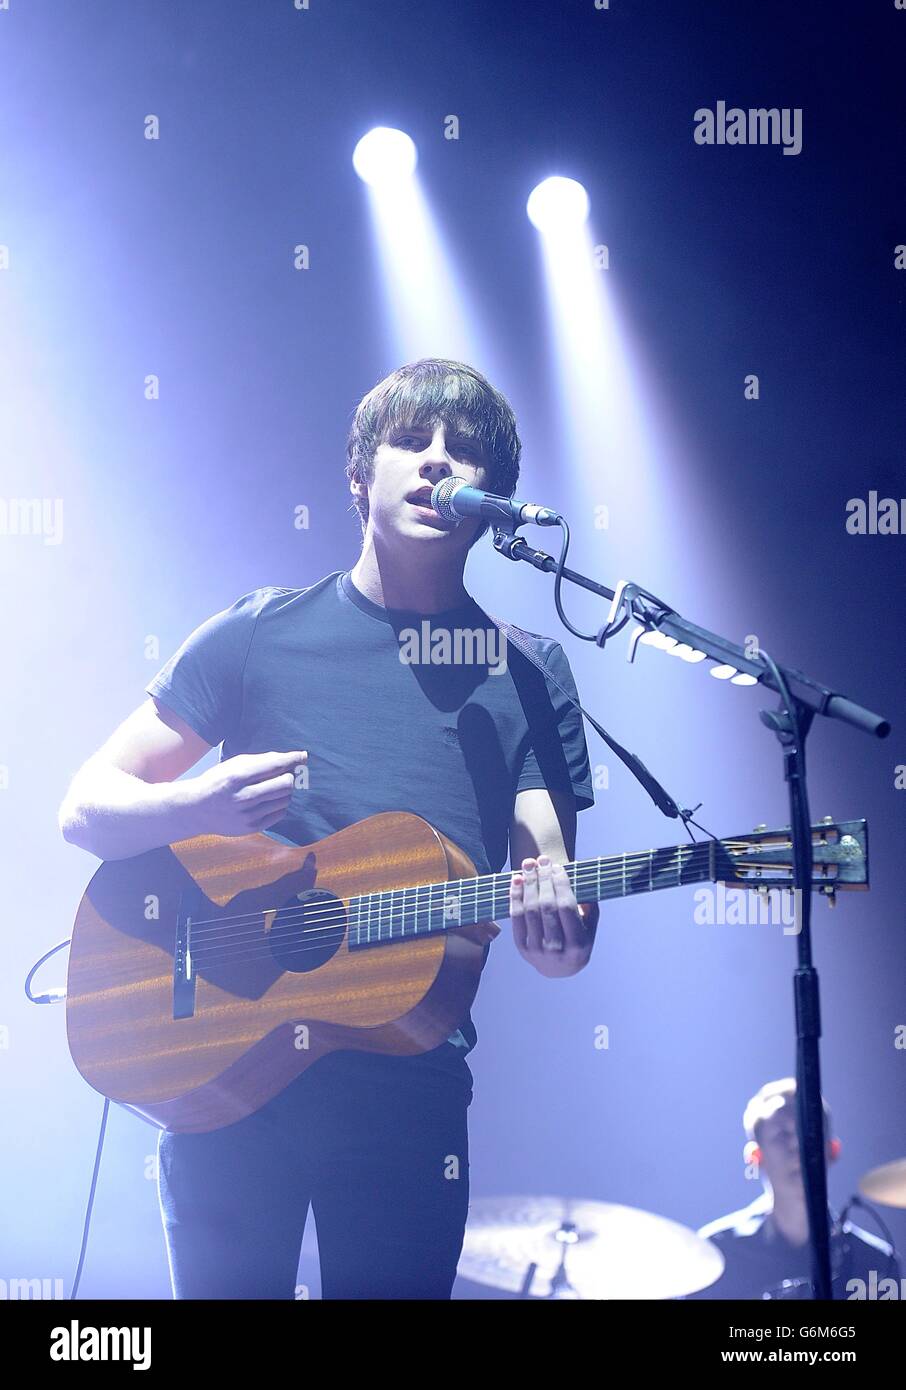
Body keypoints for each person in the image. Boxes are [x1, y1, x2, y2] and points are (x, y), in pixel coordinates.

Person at [58, 358, 599, 1299]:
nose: (438, 463)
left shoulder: (530, 671)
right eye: (413, 442)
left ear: (494, 501)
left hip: (408, 1083)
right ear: (358, 476)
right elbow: (85, 808)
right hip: (222, 1068)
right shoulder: (258, 633)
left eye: (465, 453)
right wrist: (197, 804)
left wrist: (561, 919)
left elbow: (551, 921)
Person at [693, 1077, 899, 1299]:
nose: (797, 1147)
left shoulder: (876, 1263)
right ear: (755, 1156)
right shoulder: (713, 1254)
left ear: (832, 1150)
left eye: (809, 1134)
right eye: (783, 1136)